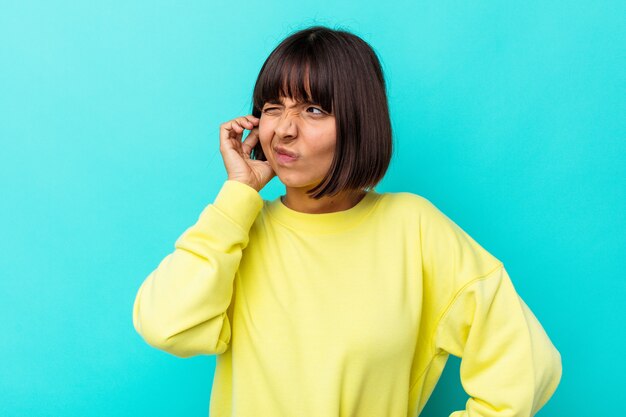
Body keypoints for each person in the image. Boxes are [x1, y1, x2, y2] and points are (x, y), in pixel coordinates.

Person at [132, 25, 562, 417]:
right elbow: (165, 325)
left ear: (359, 123)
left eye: (314, 110)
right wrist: (238, 195)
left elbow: (525, 366)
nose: (284, 129)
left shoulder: (414, 229)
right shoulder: (237, 233)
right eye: (273, 107)